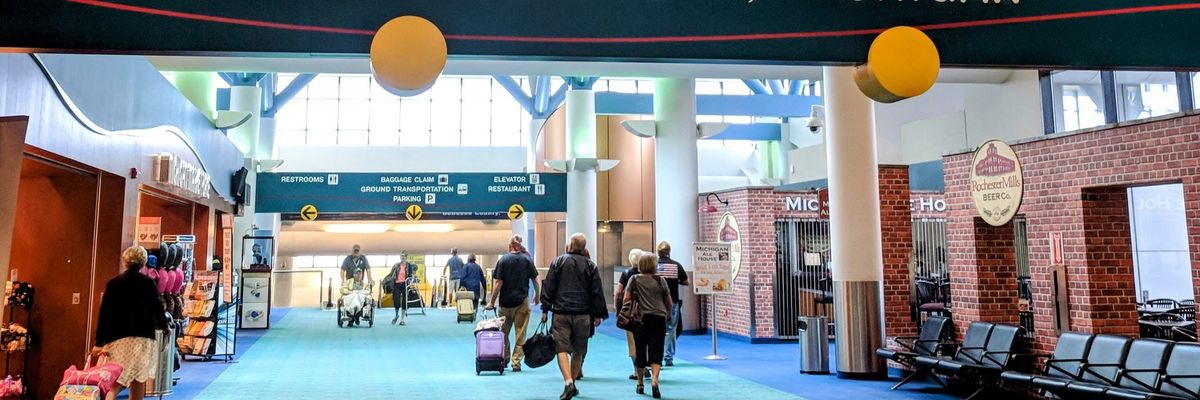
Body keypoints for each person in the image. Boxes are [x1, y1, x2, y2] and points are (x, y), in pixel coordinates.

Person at [93, 246, 169, 400]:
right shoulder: (148, 283)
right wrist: (164, 326)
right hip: (143, 337)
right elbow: (156, 307)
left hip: (118, 338)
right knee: (138, 378)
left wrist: (99, 342)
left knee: (115, 378)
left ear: (125, 261)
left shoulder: (114, 284)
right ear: (143, 262)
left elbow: (105, 314)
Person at [540, 233, 607, 400]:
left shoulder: (558, 262)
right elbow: (596, 291)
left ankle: (568, 381)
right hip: (583, 315)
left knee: (561, 348)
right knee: (578, 350)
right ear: (584, 248)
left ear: (570, 245)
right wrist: (598, 314)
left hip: (561, 313)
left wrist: (545, 309)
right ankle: (573, 383)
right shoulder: (591, 265)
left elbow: (549, 287)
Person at [486, 235, 540, 372]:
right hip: (522, 302)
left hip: (505, 304)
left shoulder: (503, 260)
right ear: (520, 246)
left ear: (510, 245)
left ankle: (504, 358)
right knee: (520, 333)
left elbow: (498, 283)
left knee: (503, 333)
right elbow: (535, 280)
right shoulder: (527, 260)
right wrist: (537, 295)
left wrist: (491, 302)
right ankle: (516, 362)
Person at [624, 252, 673, 399]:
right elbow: (669, 301)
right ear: (653, 265)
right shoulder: (661, 280)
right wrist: (669, 315)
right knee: (656, 349)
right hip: (658, 318)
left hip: (640, 319)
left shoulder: (634, 279)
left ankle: (640, 383)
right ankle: (654, 381)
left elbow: (626, 298)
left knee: (640, 349)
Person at [615, 248, 648, 381]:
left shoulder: (626, 273)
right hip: (646, 311)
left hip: (631, 312)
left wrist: (618, 309)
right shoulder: (647, 274)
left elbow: (619, 292)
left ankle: (636, 370)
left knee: (632, 342)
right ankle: (645, 366)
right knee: (645, 340)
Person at [655, 241, 690, 366]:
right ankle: (668, 357)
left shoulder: (654, 265)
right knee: (671, 329)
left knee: (656, 329)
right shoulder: (676, 265)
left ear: (658, 252)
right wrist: (677, 281)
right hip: (673, 302)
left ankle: (657, 356)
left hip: (656, 302)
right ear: (669, 252)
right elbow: (686, 282)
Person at [384, 254, 417, 325]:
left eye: (403, 256)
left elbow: (411, 275)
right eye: (401, 256)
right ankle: (396, 315)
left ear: (406, 257)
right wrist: (387, 280)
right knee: (396, 300)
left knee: (404, 301)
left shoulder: (409, 265)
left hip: (405, 284)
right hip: (397, 284)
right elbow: (391, 274)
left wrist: (411, 282)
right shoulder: (396, 265)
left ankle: (402, 320)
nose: (402, 257)